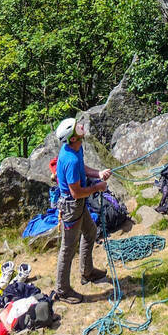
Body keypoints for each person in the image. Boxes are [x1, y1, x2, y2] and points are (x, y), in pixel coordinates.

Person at [53, 117, 111, 304]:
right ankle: (62, 290)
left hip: (77, 204)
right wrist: (98, 188)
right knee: (68, 249)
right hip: (72, 206)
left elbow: (83, 168)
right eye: (77, 127)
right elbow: (76, 192)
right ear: (72, 138)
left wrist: (98, 174)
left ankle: (87, 272)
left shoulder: (76, 149)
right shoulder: (69, 159)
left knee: (91, 231)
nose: (81, 126)